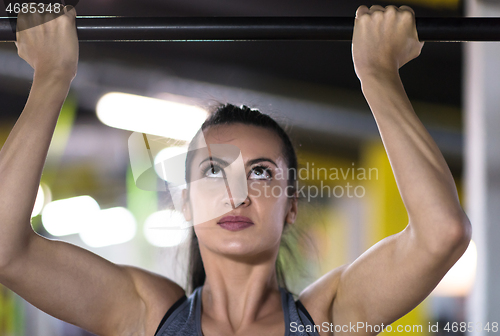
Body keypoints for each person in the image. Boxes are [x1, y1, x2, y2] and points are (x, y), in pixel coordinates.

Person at [0, 4, 471, 336]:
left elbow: (442, 232)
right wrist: (52, 78)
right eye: (212, 171)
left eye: (262, 173)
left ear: (291, 207)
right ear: (184, 202)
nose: (236, 193)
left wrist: (377, 74)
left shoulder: (330, 317)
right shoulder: (144, 314)